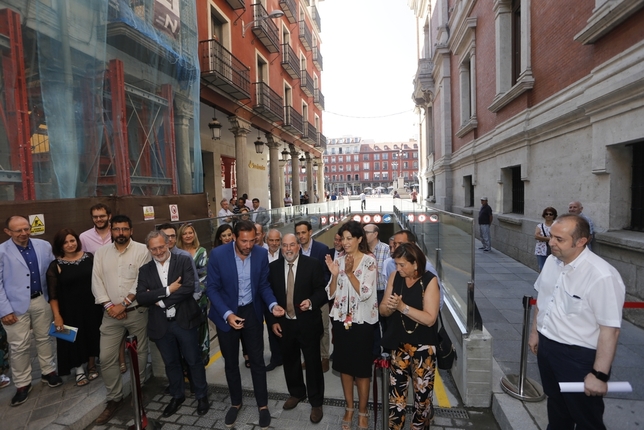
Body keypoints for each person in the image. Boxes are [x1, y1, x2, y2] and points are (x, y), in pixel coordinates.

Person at [528, 214, 625, 429]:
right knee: (557, 409)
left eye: (559, 239)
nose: (551, 242)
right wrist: (535, 332)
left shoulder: (602, 276)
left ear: (581, 241)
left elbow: (610, 330)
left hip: (577, 358)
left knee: (585, 418)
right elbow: (543, 299)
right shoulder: (553, 262)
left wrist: (599, 375)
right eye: (552, 236)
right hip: (547, 348)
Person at [206, 220, 285, 429]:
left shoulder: (260, 254)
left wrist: (273, 304)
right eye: (244, 241)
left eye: (253, 240)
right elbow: (212, 289)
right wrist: (227, 314)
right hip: (227, 314)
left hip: (251, 312)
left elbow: (263, 286)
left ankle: (263, 406)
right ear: (233, 237)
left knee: (257, 361)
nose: (249, 245)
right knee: (231, 363)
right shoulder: (218, 255)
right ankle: (235, 402)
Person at [136, 230, 209, 417]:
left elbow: (187, 288)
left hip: (184, 320)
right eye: (154, 249)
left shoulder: (183, 261)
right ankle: (178, 395)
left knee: (194, 360)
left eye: (161, 246)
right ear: (148, 249)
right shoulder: (145, 270)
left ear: (168, 242)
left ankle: (201, 396)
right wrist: (168, 289)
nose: (159, 251)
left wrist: (160, 300)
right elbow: (142, 297)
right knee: (171, 363)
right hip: (161, 325)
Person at [91, 214, 151, 424]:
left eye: (125, 229)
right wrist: (110, 307)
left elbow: (141, 280)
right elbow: (96, 281)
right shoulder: (100, 253)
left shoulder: (143, 250)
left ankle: (138, 392)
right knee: (106, 357)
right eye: (116, 229)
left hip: (136, 312)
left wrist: (123, 304)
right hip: (110, 315)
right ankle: (114, 398)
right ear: (111, 231)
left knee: (140, 353)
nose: (121, 233)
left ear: (131, 230)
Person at [0, 215, 62, 406]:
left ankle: (48, 371)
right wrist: (4, 310)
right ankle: (22, 384)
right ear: (8, 232)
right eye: (18, 230)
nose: (24, 233)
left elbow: (53, 271)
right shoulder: (2, 251)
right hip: (14, 307)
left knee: (45, 338)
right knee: (19, 346)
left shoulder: (43, 246)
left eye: (26, 229)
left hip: (41, 300)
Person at [267, 234, 327, 423]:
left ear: (298, 246)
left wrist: (311, 302)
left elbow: (321, 292)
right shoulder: (273, 268)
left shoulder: (313, 264)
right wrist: (272, 321)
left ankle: (316, 402)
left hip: (308, 323)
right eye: (284, 246)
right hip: (285, 324)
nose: (288, 249)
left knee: (312, 363)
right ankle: (297, 393)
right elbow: (270, 296)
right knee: (290, 360)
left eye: (292, 244)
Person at [380, 243, 440, 429]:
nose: (398, 268)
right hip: (399, 346)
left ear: (415, 264)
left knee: (422, 400)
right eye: (396, 264)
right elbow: (382, 309)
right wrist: (389, 308)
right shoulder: (394, 277)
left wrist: (402, 307)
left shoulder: (430, 281)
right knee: (396, 397)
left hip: (423, 348)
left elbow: (430, 319)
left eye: (402, 264)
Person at [324, 221, 378, 430]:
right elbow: (330, 294)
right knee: (345, 367)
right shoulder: (338, 260)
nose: (344, 243)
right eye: (342, 238)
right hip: (341, 321)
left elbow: (365, 293)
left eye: (349, 238)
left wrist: (350, 272)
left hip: (362, 323)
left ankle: (363, 412)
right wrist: (336, 274)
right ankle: (349, 408)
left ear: (358, 239)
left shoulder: (369, 262)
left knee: (362, 370)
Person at [46, 229, 102, 386]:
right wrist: (57, 316)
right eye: (65, 242)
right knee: (73, 339)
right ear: (59, 245)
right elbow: (53, 295)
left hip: (92, 306)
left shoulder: (89, 258)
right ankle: (78, 370)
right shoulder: (55, 266)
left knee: (92, 334)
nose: (70, 245)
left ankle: (91, 365)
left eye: (72, 241)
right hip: (69, 310)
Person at [295, 221, 331, 372]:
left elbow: (326, 274)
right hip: (301, 299)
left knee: (322, 328)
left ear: (310, 232)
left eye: (303, 232)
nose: (301, 236)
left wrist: (315, 292)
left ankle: (324, 358)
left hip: (319, 297)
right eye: (298, 233)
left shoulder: (322, 249)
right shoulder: (295, 250)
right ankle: (310, 357)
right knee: (304, 329)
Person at [383, 230, 444, 310]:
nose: (397, 247)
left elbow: (438, 301)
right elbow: (387, 296)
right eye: (395, 244)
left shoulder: (426, 267)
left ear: (412, 244)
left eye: (401, 244)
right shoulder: (389, 264)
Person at [177, 223, 210, 365]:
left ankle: (201, 359)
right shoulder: (175, 252)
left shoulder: (201, 251)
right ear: (181, 236)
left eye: (190, 232)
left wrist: (192, 293)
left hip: (198, 300)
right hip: (180, 300)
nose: (188, 235)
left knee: (200, 330)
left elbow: (203, 275)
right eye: (185, 233)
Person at [364, 224, 391, 356]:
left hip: (382, 293)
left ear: (375, 234)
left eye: (366, 232)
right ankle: (374, 353)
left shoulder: (386, 249)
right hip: (368, 295)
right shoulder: (362, 251)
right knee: (372, 324)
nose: (363, 235)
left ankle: (386, 353)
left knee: (385, 324)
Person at [534, 207, 557, 272]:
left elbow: (558, 238)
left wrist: (542, 238)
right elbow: (536, 236)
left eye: (550, 214)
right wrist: (551, 238)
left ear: (554, 216)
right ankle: (542, 281)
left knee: (553, 268)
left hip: (554, 250)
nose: (548, 216)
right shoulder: (540, 226)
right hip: (541, 250)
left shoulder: (556, 226)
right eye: (546, 214)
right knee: (542, 267)